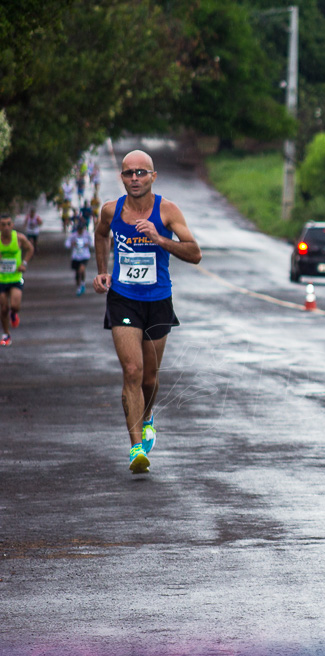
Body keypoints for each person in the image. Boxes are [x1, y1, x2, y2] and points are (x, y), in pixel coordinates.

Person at [93, 150, 202, 474]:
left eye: (142, 173)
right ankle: (136, 447)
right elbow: (101, 236)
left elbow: (195, 253)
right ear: (122, 178)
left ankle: (149, 416)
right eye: (129, 173)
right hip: (123, 298)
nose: (135, 178)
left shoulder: (167, 210)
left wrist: (158, 238)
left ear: (153, 177)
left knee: (150, 379)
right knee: (132, 370)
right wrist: (101, 271)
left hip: (158, 301)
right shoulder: (111, 211)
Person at [0, 213, 35, 346]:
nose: (6, 227)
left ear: (12, 225)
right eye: (3, 225)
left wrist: (24, 264)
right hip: (1, 278)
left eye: (8, 224)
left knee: (15, 305)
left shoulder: (19, 238)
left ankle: (14, 314)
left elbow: (30, 249)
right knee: (3, 308)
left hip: (15, 277)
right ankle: (6, 334)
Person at [65, 217, 91, 296]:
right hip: (76, 256)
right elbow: (67, 244)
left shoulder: (87, 235)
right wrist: (71, 244)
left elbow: (92, 242)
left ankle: (82, 284)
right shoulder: (73, 235)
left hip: (84, 256)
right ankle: (79, 285)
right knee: (77, 272)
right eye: (79, 229)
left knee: (81, 269)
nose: (80, 231)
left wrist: (88, 244)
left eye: (81, 229)